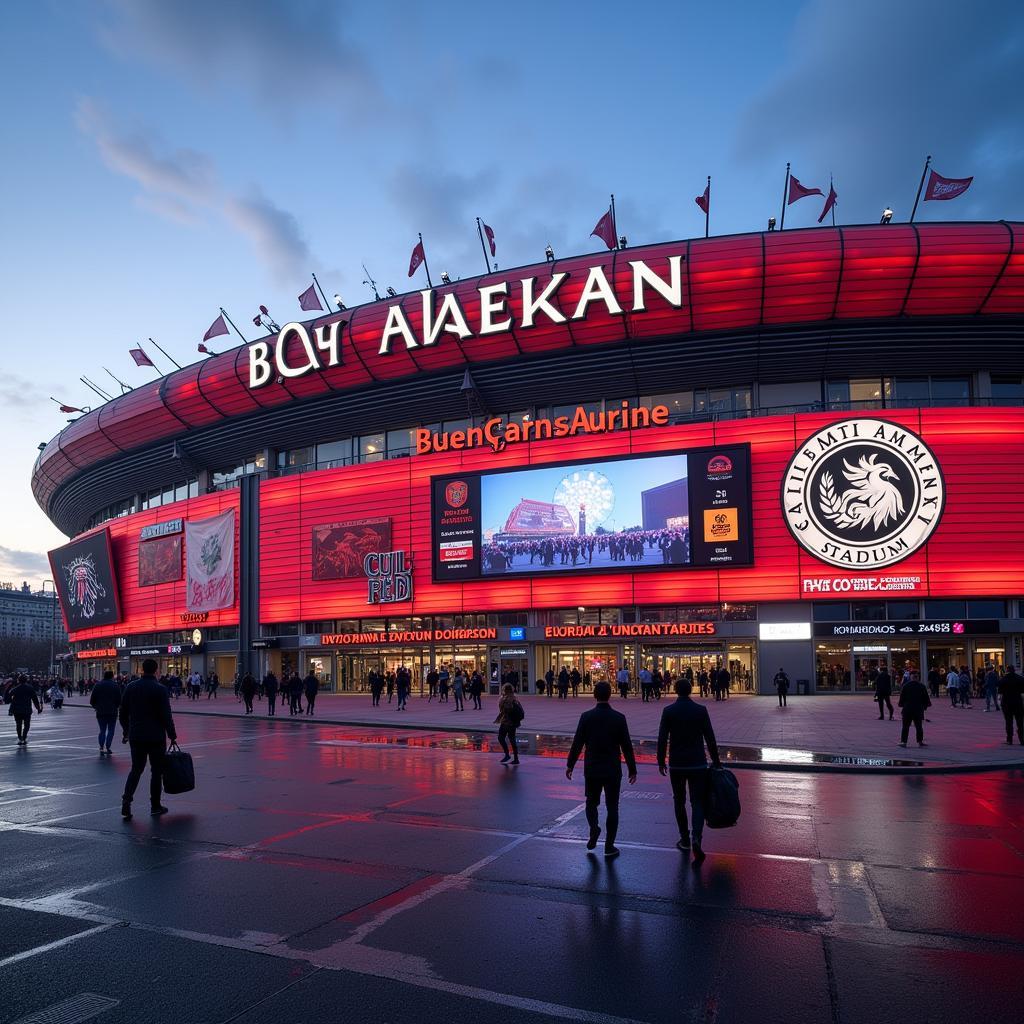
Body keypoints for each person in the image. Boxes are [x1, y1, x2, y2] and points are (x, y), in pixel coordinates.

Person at [565, 680, 638, 859]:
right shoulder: (619, 718)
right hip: (612, 767)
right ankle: (609, 845)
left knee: (591, 802)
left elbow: (578, 742)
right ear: (610, 695)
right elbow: (626, 745)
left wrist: (570, 764)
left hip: (592, 767)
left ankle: (594, 828)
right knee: (613, 806)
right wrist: (632, 768)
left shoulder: (586, 717)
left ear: (594, 695)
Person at [657, 677, 721, 864]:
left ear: (676, 690)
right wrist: (716, 760)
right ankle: (697, 837)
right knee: (697, 802)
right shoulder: (700, 710)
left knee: (679, 801)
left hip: (677, 763)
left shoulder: (668, 711)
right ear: (691, 689)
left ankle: (684, 838)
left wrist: (661, 760)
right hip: (697, 762)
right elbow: (710, 737)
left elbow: (662, 738)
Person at [119, 658, 177, 820]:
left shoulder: (131, 687)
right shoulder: (160, 689)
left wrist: (126, 731)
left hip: (136, 735)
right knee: (156, 772)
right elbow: (166, 715)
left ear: (142, 670)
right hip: (156, 736)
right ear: (156, 670)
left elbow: (123, 712)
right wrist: (172, 734)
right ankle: (155, 805)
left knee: (136, 769)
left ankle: (126, 801)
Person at [90, 669, 122, 754]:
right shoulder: (115, 686)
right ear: (112, 676)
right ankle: (108, 747)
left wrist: (96, 707)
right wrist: (116, 707)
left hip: (100, 712)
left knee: (102, 730)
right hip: (112, 712)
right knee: (111, 730)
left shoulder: (97, 685)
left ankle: (101, 747)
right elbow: (119, 700)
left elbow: (92, 700)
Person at [898, 670, 931, 747]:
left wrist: (902, 705)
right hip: (918, 709)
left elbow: (902, 698)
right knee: (919, 726)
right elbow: (926, 698)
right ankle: (920, 741)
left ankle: (904, 742)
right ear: (918, 677)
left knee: (905, 726)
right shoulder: (922, 686)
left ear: (910, 677)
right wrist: (925, 707)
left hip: (907, 709)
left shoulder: (906, 686)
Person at [9, 674, 42, 745]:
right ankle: (24, 737)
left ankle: (20, 738)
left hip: (17, 709)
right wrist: (38, 708)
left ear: (18, 680)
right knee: (27, 725)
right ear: (26, 680)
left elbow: (9, 695)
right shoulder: (30, 688)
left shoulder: (16, 689)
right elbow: (35, 699)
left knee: (18, 724)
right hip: (27, 709)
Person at [494, 684, 524, 764]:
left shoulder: (507, 699)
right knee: (512, 739)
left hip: (507, 722)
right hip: (513, 722)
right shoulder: (515, 698)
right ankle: (516, 758)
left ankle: (507, 754)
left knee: (501, 737)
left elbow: (504, 709)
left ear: (506, 690)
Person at [998, 665, 1024, 745]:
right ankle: (1022, 739)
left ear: (1007, 670)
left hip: (1007, 703)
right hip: (1018, 702)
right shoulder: (1020, 678)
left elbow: (1000, 692)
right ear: (1014, 670)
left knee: (1008, 721)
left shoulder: (1003, 679)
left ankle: (1009, 739)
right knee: (1020, 722)